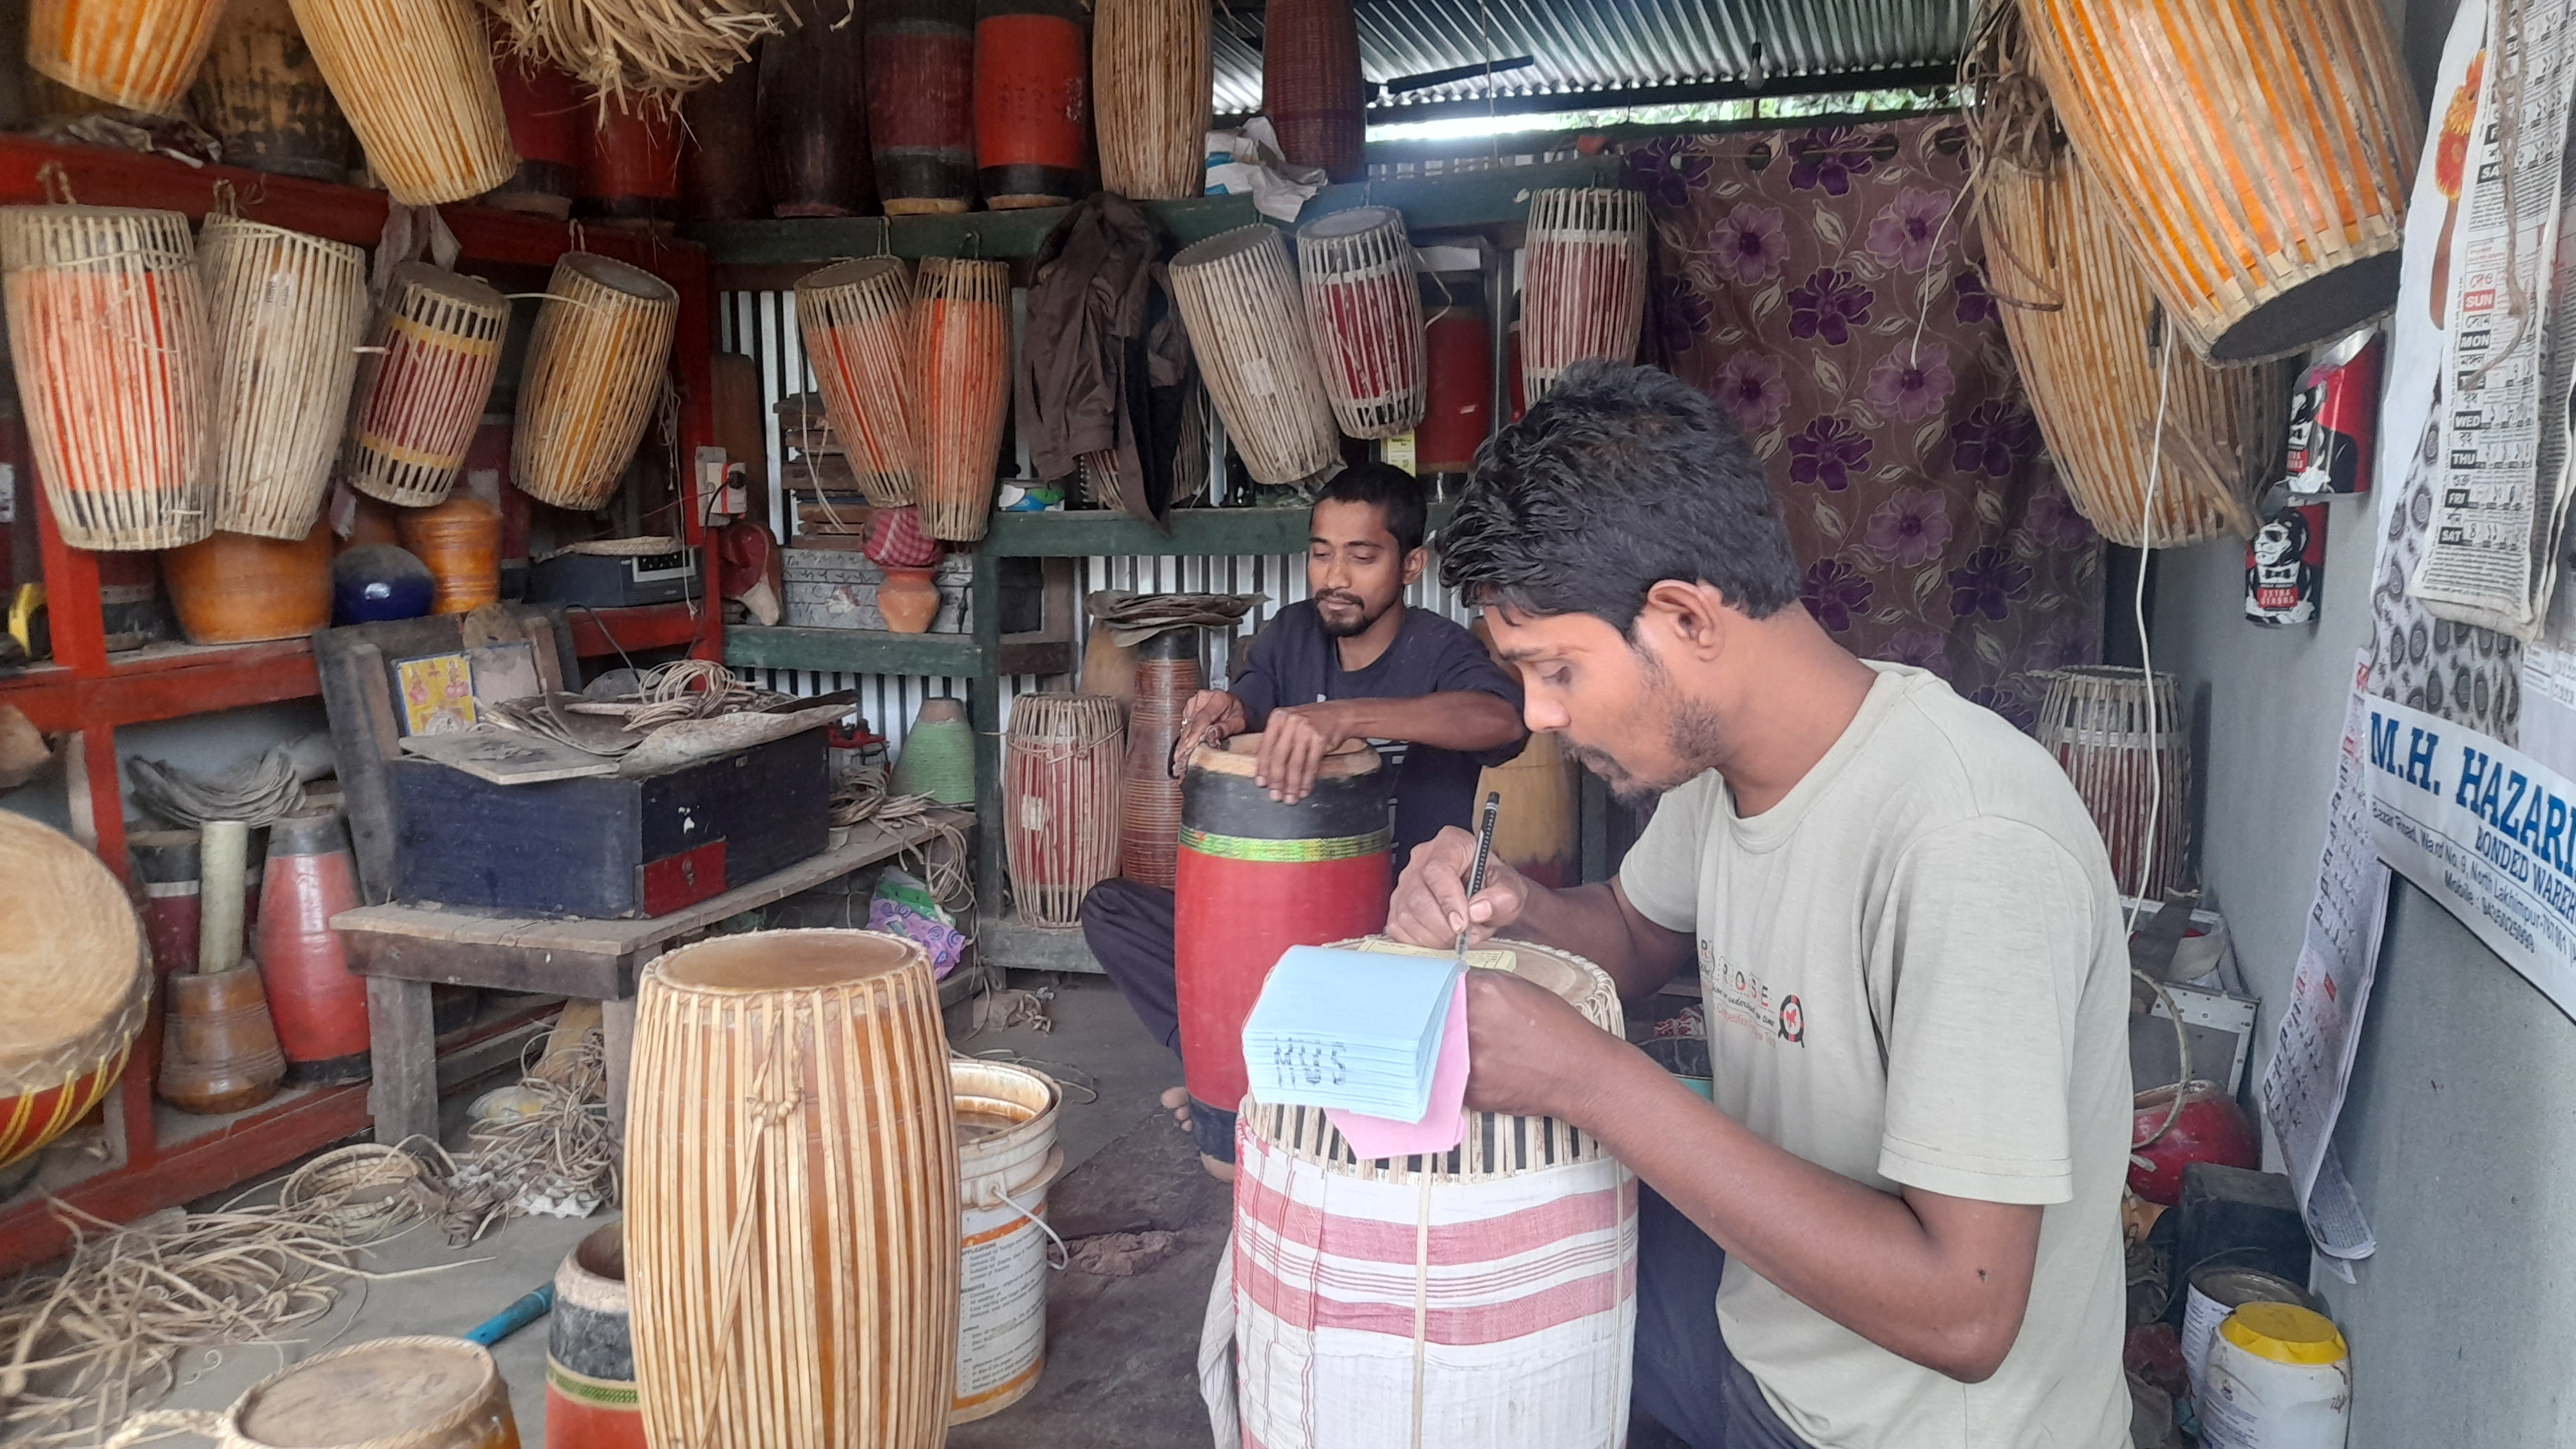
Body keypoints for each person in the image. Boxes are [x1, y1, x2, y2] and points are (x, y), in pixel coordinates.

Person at [1387, 363, 2130, 1448]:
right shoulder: (1729, 763)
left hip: (1905, 1428)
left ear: (1684, 616)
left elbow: (1966, 1310)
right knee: (1452, 1311)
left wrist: (1593, 1081)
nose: (1538, 717)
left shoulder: (1971, 845)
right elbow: (1636, 936)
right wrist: (1512, 906)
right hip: (1768, 1347)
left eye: (1555, 669)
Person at [1081, 462, 1526, 1170]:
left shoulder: (1441, 650)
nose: (1334, 575)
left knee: (1431, 986)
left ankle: (1275, 1091)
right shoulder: (1291, 635)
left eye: (1362, 554)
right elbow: (1250, 701)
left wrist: (1345, 716)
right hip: (1277, 927)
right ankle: (1224, 1071)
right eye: (1321, 552)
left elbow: (1501, 720)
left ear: (1410, 564)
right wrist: (1224, 713)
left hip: (1393, 935)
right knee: (1112, 911)